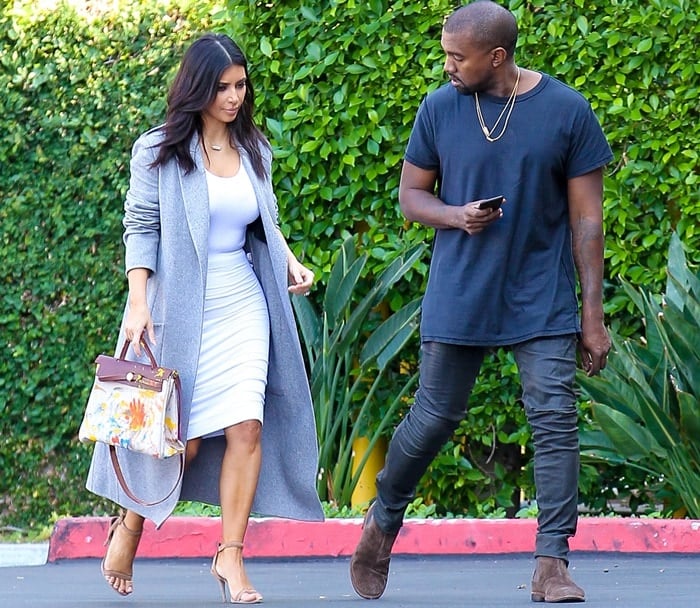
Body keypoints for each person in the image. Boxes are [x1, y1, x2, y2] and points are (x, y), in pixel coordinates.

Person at [349, 1, 612, 603]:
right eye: (445, 52)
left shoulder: (566, 111)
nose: (445, 64)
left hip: (538, 295)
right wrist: (455, 216)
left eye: (455, 56)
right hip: (461, 288)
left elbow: (588, 222)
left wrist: (590, 318)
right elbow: (411, 197)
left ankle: (552, 563)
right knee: (435, 416)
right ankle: (384, 519)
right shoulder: (439, 108)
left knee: (554, 420)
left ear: (496, 57)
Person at [85, 33, 323, 603]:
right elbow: (140, 226)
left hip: (243, 301)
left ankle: (231, 557)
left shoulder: (254, 148)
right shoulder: (160, 151)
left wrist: (289, 260)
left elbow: (263, 218)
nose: (234, 97)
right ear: (197, 87)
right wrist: (138, 301)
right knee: (175, 436)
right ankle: (132, 524)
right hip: (178, 305)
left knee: (247, 425)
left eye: (241, 85)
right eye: (222, 87)